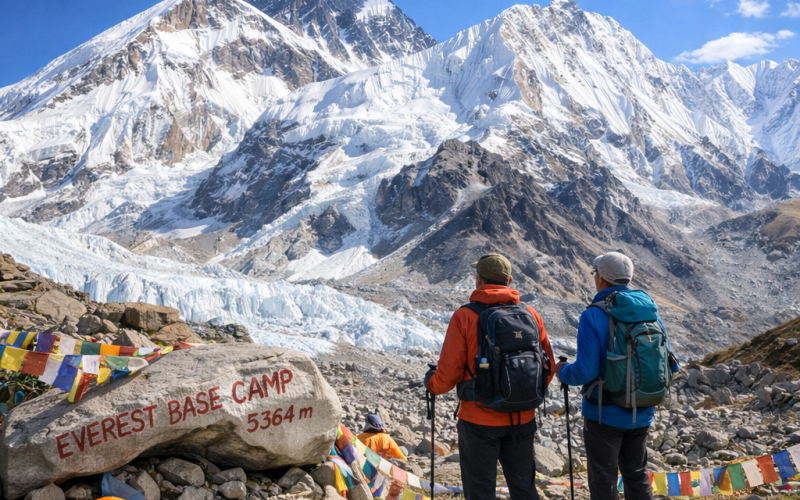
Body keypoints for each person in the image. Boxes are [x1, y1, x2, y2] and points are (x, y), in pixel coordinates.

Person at [425, 253, 554, 500]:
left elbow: (449, 373)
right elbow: (546, 367)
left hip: (478, 420)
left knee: (480, 490)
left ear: (478, 279)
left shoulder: (464, 316)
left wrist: (432, 384)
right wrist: (523, 396)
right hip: (522, 418)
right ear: (510, 280)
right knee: (524, 488)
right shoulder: (531, 315)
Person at [555, 252, 679, 500]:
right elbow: (671, 365)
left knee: (603, 480)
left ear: (600, 278)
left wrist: (562, 372)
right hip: (643, 411)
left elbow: (586, 371)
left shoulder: (593, 315)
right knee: (637, 474)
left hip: (604, 414)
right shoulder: (650, 312)